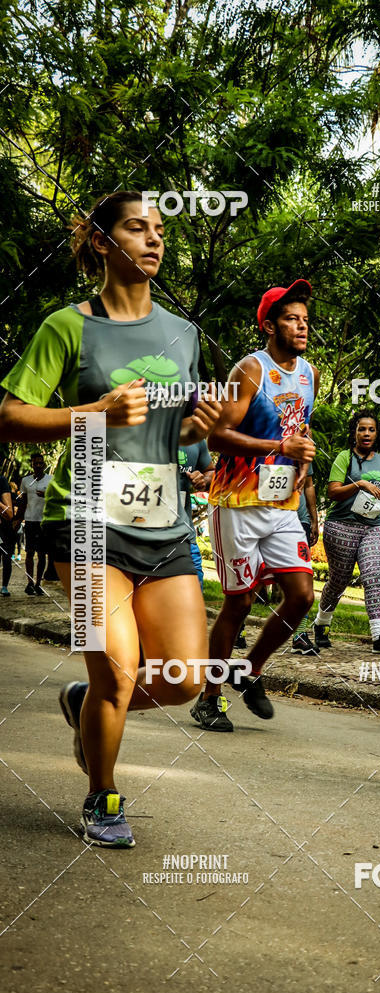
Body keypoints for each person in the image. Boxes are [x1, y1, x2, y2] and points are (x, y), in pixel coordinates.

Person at [0, 190, 222, 847]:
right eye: (137, 228)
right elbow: (10, 416)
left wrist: (200, 435)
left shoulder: (183, 335)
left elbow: (177, 437)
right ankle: (103, 793)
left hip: (164, 523)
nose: (154, 240)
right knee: (118, 670)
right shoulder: (66, 326)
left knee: (185, 678)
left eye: (160, 230)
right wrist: (91, 413)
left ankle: (84, 704)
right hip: (87, 520)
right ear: (102, 242)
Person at [191, 279, 318, 732]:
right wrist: (277, 443)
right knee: (239, 603)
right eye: (291, 319)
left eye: (304, 319)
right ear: (269, 324)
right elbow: (217, 437)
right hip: (236, 503)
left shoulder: (309, 373)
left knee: (302, 595)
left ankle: (250, 670)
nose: (301, 327)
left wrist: (302, 455)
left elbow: (298, 430)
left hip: (281, 504)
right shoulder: (250, 370)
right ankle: (209, 698)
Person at [313, 411, 380, 654]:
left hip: (373, 527)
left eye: (371, 429)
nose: (366, 433)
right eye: (361, 429)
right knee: (339, 580)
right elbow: (333, 492)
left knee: (373, 575)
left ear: (376, 433)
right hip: (342, 525)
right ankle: (321, 624)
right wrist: (359, 484)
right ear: (355, 433)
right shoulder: (344, 457)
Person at [178, 443, 215, 589]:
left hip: (184, 538)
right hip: (136, 538)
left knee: (193, 602)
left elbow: (210, 471)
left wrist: (203, 480)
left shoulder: (195, 438)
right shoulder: (134, 428)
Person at [292, 464, 319, 653]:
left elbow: (309, 485)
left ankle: (299, 635)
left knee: (303, 577)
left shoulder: (304, 441)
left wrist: (314, 519)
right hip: (265, 516)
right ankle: (240, 630)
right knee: (256, 577)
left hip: (299, 521)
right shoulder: (262, 435)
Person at [16, 452, 51, 595]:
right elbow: (23, 501)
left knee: (42, 554)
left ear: (43, 464)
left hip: (44, 521)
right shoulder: (25, 481)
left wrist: (47, 495)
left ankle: (38, 583)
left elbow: (57, 499)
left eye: (40, 463)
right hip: (30, 520)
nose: (38, 465)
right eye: (35, 463)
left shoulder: (51, 480)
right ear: (31, 464)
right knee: (29, 552)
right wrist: (18, 519)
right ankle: (29, 583)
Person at [0, 471, 14, 595]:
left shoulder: (1, 480)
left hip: (4, 530)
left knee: (6, 558)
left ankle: (4, 586)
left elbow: (9, 514)